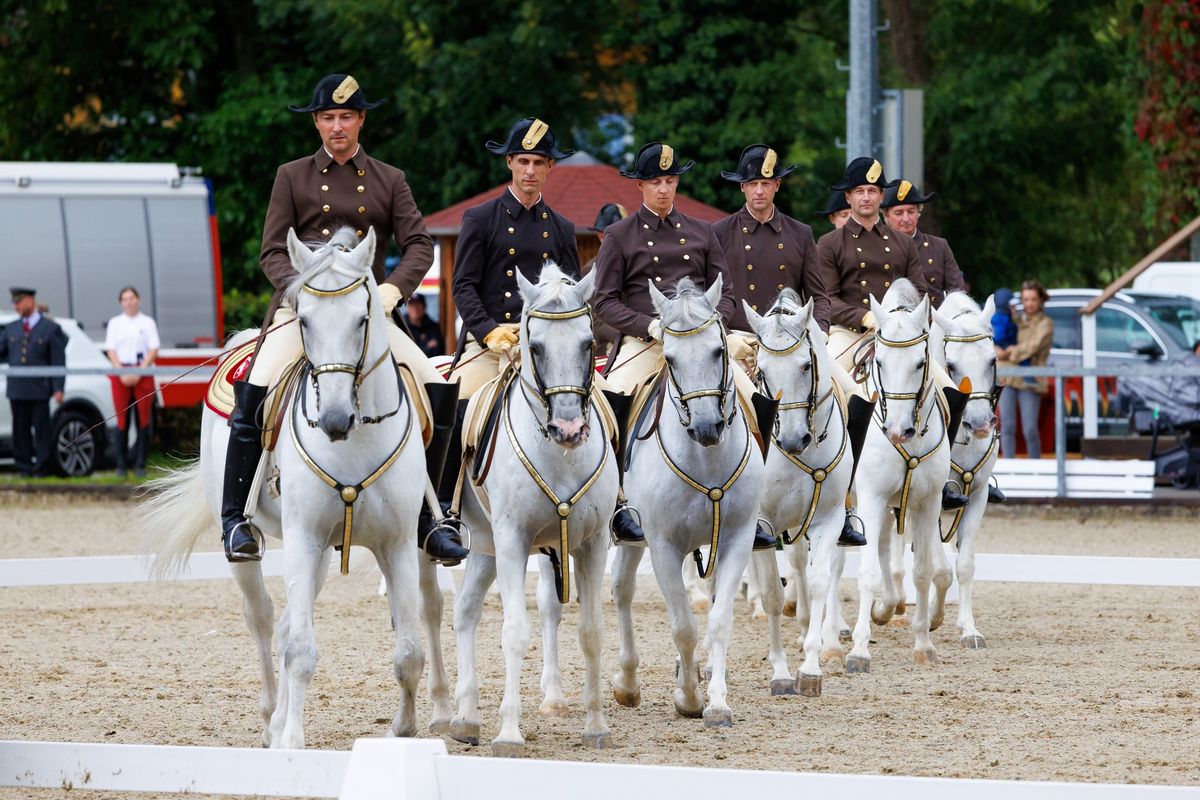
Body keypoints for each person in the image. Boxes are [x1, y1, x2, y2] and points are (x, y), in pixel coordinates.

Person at [221, 73, 467, 565]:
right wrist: (300, 290)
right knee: (257, 387)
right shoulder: (291, 176)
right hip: (306, 314)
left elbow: (418, 244)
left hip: (365, 315)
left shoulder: (388, 178)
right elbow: (271, 249)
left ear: (361, 120)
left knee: (439, 391)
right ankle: (237, 518)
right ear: (316, 122)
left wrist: (394, 289)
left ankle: (429, 516)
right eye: (329, 118)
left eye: (346, 117)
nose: (338, 126)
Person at [593, 141, 775, 549]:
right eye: (656, 182)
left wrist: (712, 326)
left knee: (755, 398)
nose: (664, 189)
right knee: (611, 400)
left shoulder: (701, 231)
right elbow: (604, 301)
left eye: (670, 181)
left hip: (700, 340)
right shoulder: (618, 235)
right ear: (640, 185)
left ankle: (757, 505)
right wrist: (649, 326)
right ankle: (621, 500)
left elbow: (726, 292)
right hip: (646, 342)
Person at [438, 117, 581, 535]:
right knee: (457, 403)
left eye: (539, 162)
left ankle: (615, 501)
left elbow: (570, 295)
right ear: (510, 164)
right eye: (523, 161)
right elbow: (462, 286)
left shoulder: (562, 228)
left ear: (551, 167)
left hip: (545, 346)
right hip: (489, 344)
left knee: (602, 403)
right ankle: (443, 513)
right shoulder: (480, 219)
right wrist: (487, 332)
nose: (531, 170)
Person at [815, 157, 969, 510]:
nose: (866, 198)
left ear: (880, 197)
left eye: (872, 191)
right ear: (849, 198)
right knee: (844, 391)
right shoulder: (830, 243)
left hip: (900, 337)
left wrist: (907, 320)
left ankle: (941, 475)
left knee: (951, 390)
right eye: (859, 192)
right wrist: (866, 317)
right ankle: (845, 480)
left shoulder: (901, 243)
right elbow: (826, 298)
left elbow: (920, 291)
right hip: (851, 332)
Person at [1, 287, 66, 477]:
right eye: (14, 303)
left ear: (30, 300)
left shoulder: (50, 328)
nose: (16, 306)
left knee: (41, 430)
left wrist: (58, 388)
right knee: (19, 430)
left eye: (19, 302)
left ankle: (41, 468)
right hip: (17, 389)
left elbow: (58, 361)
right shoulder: (11, 328)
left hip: (39, 389)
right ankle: (24, 468)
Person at [880, 180, 965, 307]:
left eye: (911, 211)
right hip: (891, 323)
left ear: (919, 212)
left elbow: (957, 293)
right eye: (899, 213)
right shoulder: (875, 247)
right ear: (886, 214)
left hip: (932, 322)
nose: (906, 219)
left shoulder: (939, 246)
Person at [104, 286, 160, 477]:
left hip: (142, 372)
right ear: (121, 302)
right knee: (121, 419)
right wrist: (120, 370)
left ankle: (140, 464)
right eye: (125, 299)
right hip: (120, 372)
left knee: (143, 419)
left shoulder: (147, 323)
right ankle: (121, 465)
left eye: (132, 298)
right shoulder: (115, 323)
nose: (129, 302)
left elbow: (154, 349)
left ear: (138, 300)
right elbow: (110, 349)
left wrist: (140, 370)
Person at [998, 279, 1054, 459]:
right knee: (1006, 427)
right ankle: (1009, 467)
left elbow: (1032, 347)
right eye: (1025, 299)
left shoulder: (1045, 323)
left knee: (1030, 429)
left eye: (1033, 299)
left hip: (1031, 379)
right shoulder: (1016, 318)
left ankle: (1035, 468)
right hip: (1009, 377)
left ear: (1040, 301)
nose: (1029, 304)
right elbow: (998, 337)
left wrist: (1008, 352)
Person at [582, 202, 626, 356]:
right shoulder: (590, 271)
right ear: (600, 236)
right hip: (604, 354)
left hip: (638, 347)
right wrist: (628, 337)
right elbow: (596, 323)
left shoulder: (635, 265)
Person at [404, 293, 443, 358]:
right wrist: (427, 347)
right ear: (408, 307)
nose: (415, 308)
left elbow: (437, 351)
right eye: (412, 305)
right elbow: (404, 354)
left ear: (424, 307)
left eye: (418, 304)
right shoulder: (401, 327)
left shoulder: (433, 326)